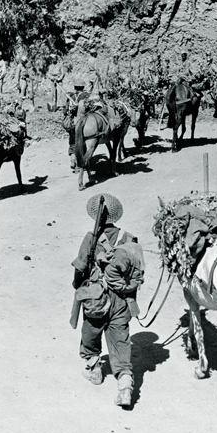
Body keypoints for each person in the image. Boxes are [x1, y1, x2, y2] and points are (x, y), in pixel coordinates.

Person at [72, 193, 144, 407]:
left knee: (91, 331)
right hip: (122, 300)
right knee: (120, 341)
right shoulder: (129, 239)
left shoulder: (90, 238)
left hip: (97, 297)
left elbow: (80, 268)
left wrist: (79, 288)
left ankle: (94, 371)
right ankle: (125, 386)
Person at [63, 78, 90, 171]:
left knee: (72, 141)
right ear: (83, 87)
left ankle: (73, 159)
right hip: (82, 122)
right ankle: (81, 163)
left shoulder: (70, 96)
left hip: (71, 123)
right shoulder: (86, 96)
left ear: (75, 87)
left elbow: (65, 111)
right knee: (82, 143)